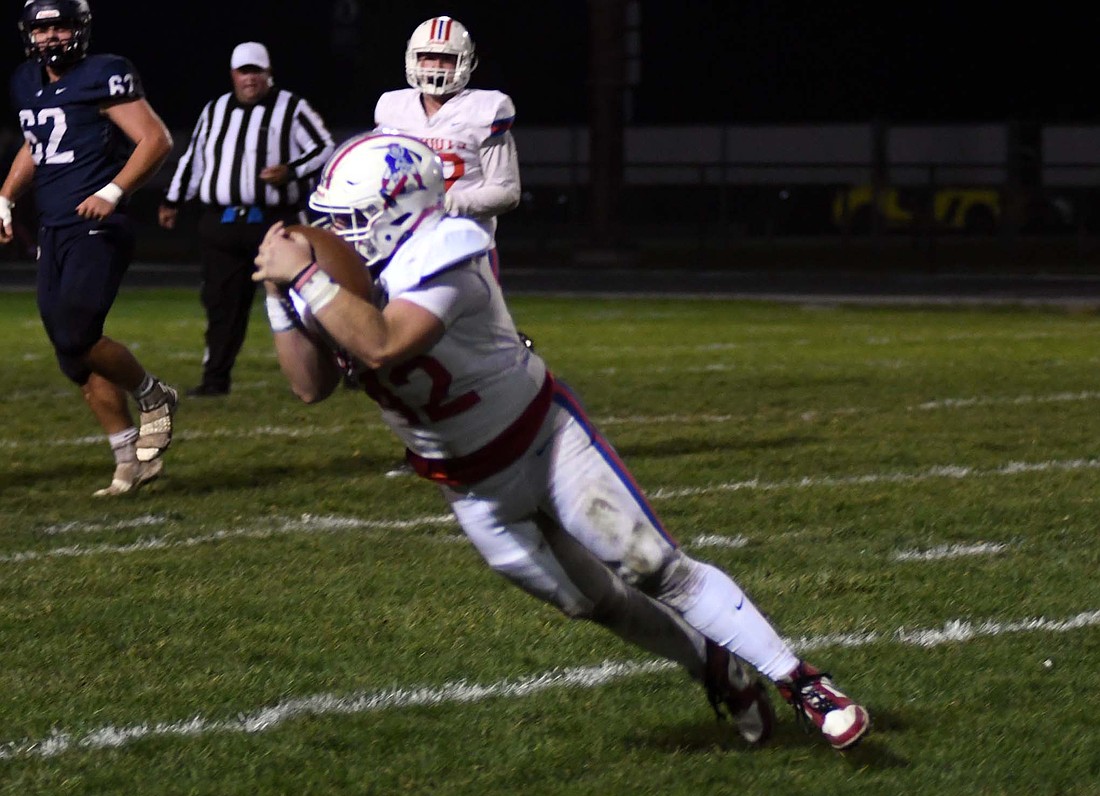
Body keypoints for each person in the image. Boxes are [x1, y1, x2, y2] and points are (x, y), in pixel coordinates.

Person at [252, 132, 872, 751]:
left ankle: (805, 684)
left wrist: (307, 277)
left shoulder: (448, 249)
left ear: (405, 207)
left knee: (655, 567)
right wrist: (282, 297)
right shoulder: (332, 282)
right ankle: (711, 663)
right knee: (595, 603)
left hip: (543, 442)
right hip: (470, 487)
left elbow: (382, 343)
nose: (341, 234)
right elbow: (309, 388)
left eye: (355, 220)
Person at [0, 0, 178, 497]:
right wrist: (6, 196)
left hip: (98, 224)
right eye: (43, 29)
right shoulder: (25, 80)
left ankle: (153, 395)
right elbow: (37, 144)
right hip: (55, 226)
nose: (52, 38)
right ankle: (127, 459)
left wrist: (113, 191)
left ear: (79, 30)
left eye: (60, 27)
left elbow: (155, 139)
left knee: (76, 328)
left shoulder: (106, 73)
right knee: (70, 353)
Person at [374, 15, 527, 476]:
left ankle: (507, 438)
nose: (436, 66)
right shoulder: (393, 109)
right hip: (405, 253)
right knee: (408, 357)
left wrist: (441, 203)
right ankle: (423, 451)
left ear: (466, 62)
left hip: (466, 252)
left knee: (473, 359)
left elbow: (507, 192)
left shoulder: (487, 108)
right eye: (428, 57)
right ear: (411, 60)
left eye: (445, 57)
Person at [158, 41, 335, 397]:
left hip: (273, 221)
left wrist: (291, 171)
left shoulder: (291, 107)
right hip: (221, 223)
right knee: (221, 304)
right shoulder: (215, 109)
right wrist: (173, 199)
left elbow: (324, 148)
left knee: (305, 295)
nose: (250, 79)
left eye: (257, 71)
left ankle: (335, 365)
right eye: (244, 71)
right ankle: (215, 380)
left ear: (269, 74)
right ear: (233, 75)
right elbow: (195, 159)